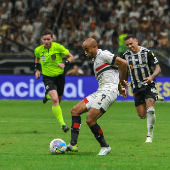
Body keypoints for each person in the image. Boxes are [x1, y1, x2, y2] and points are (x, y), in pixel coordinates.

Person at [65, 38, 128, 155]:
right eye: (84, 50)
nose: (85, 53)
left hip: (108, 91)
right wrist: (120, 88)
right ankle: (73, 144)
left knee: (90, 119)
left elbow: (123, 63)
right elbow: (113, 75)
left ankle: (105, 146)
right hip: (101, 91)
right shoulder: (96, 60)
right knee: (75, 110)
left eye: (87, 49)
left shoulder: (103, 54)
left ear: (95, 47)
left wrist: (123, 80)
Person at [122, 34, 161, 143]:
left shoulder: (147, 53)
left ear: (136, 41)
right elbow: (125, 72)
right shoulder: (125, 56)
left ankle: (149, 136)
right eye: (127, 45)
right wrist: (123, 86)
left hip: (148, 85)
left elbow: (158, 68)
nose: (129, 46)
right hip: (136, 88)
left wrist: (152, 77)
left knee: (151, 110)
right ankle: (155, 96)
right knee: (142, 115)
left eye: (131, 43)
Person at [34, 29, 74, 133]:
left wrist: (65, 63)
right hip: (48, 78)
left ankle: (47, 96)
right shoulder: (38, 50)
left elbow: (71, 57)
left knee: (58, 101)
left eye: (48, 39)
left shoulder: (58, 47)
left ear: (52, 39)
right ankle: (63, 125)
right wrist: (37, 69)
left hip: (60, 77)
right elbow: (37, 58)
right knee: (55, 100)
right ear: (42, 40)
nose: (46, 41)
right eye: (44, 39)